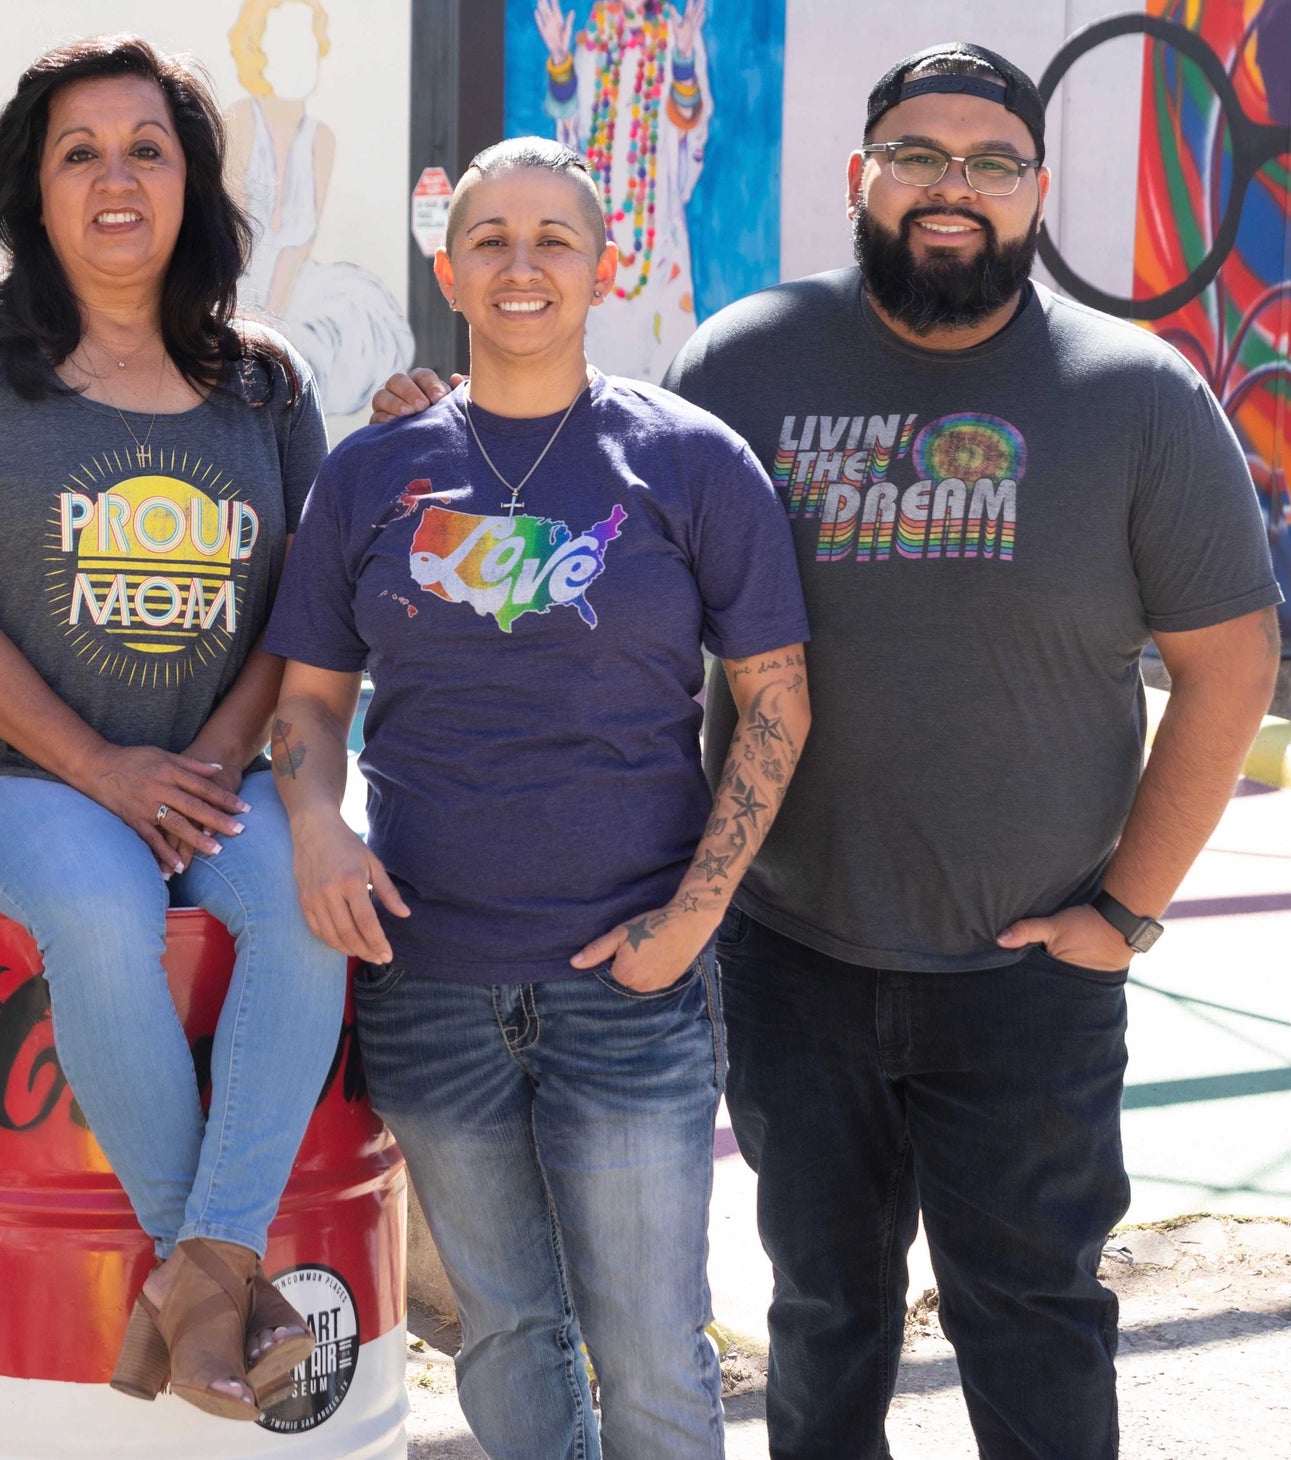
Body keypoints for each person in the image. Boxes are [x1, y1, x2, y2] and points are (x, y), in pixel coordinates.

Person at [374, 39, 1284, 1459]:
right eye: (918, 156)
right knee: (822, 1316)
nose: (951, 188)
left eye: (990, 163)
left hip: (1028, 976)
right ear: (860, 178)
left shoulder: (1137, 396)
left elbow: (1233, 667)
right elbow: (596, 553)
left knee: (1033, 1317)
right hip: (792, 955)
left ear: (1039, 193)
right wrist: (439, 443)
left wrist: (1124, 909)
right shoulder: (746, 360)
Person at [266, 137, 811, 1459]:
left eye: (553, 238)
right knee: (504, 1334)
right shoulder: (371, 471)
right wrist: (315, 824)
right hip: (432, 978)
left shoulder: (689, 461)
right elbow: (308, 705)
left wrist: (689, 923)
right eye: (491, 239)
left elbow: (778, 704)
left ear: (602, 266)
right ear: (448, 267)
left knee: (652, 1350)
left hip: (630, 985)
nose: (522, 265)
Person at [0, 34, 343, 1423]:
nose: (116, 177)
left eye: (148, 147)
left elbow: (306, 613)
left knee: (303, 900)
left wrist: (207, 761)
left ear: (193, 181)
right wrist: (105, 771)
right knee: (97, 904)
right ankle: (215, 1292)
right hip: (12, 780)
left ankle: (198, 1272)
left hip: (214, 771)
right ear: (35, 190)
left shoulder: (266, 382)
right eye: (79, 152)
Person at [224, 0, 414, 417]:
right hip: (235, 280)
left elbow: (300, 243)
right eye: (285, 43)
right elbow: (230, 233)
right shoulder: (239, 121)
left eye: (307, 42)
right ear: (260, 52)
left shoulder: (321, 139)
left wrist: (273, 313)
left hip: (291, 283)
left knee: (362, 324)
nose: (300, 56)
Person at [534, 0, 714, 379]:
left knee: (667, 353)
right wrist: (560, 58)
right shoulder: (594, 39)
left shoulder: (675, 33)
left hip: (657, 225)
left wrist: (682, 56)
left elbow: (690, 120)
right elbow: (570, 124)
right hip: (604, 221)